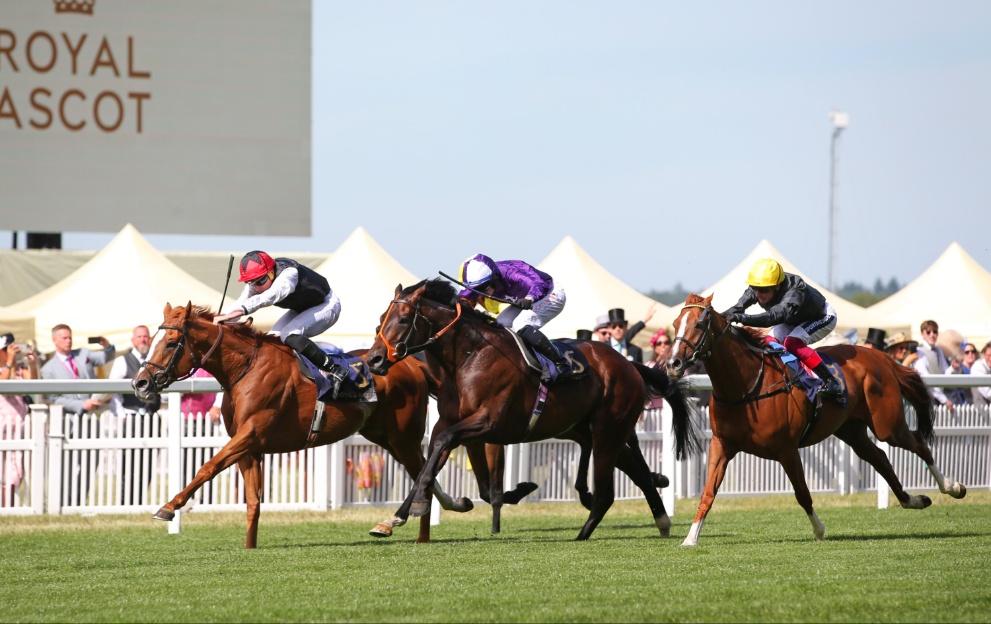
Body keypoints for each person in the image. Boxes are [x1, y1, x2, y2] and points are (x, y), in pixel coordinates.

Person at [213, 251, 348, 398]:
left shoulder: (289, 273)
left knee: (289, 334)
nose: (257, 287)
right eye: (251, 283)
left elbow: (270, 296)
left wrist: (241, 311)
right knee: (272, 340)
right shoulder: (257, 281)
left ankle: (335, 370)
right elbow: (240, 302)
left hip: (327, 305)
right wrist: (218, 319)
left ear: (272, 272)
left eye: (261, 281)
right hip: (303, 308)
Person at [722, 258, 841, 398]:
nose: (758, 294)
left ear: (777, 286)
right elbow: (738, 308)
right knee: (769, 341)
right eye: (755, 289)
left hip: (821, 316)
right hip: (792, 319)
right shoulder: (760, 286)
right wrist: (721, 316)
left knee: (792, 342)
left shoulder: (795, 289)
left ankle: (831, 381)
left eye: (764, 290)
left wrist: (743, 318)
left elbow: (774, 317)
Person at [457, 253, 569, 381]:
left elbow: (538, 283)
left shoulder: (511, 272)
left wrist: (530, 298)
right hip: (523, 301)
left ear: (494, 276)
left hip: (550, 294)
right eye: (478, 289)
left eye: (484, 287)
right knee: (499, 326)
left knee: (520, 324)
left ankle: (560, 362)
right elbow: (462, 298)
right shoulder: (481, 279)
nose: (482, 292)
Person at [40, 324, 116, 507]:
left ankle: (79, 499)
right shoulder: (48, 369)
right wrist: (80, 405)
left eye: (70, 337)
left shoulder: (83, 354)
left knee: (91, 460)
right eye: (64, 338)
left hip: (90, 419)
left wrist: (107, 346)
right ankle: (64, 500)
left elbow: (106, 357)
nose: (68, 341)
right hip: (67, 420)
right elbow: (53, 398)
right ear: (54, 340)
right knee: (67, 463)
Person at [107, 325, 161, 505]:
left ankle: (139, 501)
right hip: (129, 418)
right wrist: (120, 414)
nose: (143, 340)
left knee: (148, 463)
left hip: (152, 419)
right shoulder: (123, 361)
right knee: (127, 464)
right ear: (133, 340)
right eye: (139, 337)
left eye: (145, 337)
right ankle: (126, 502)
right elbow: (112, 390)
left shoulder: (156, 361)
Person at [1, 333, 38, 507]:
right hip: (3, 429)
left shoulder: (19, 371)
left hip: (20, 429)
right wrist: (9, 361)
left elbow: (35, 386)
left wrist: (32, 364)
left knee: (17, 472)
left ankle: (10, 508)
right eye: (7, 349)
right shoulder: (5, 370)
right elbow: (3, 387)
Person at [912, 320, 954, 411]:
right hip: (926, 399)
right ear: (922, 334)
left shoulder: (938, 350)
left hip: (940, 398)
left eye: (935, 332)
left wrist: (953, 368)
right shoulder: (919, 351)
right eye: (928, 332)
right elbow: (925, 378)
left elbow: (945, 371)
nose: (932, 335)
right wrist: (944, 399)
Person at [969, 342, 991, 409]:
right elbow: (988, 393)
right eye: (989, 355)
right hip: (979, 412)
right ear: (983, 354)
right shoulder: (978, 367)